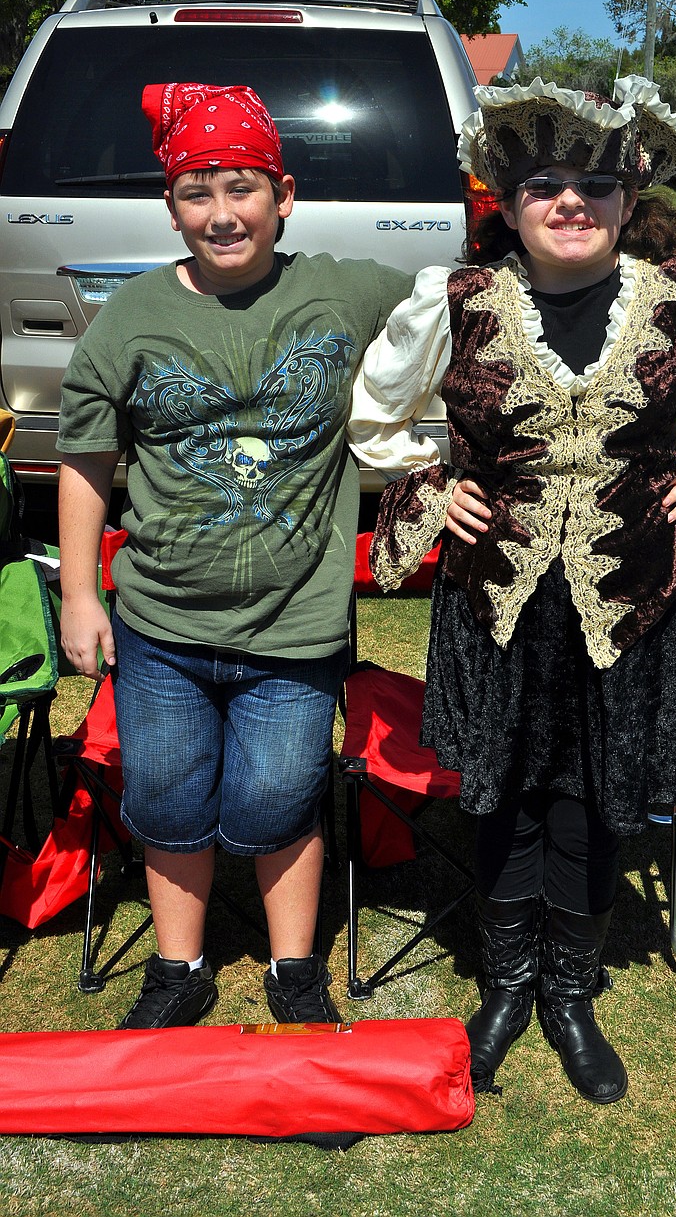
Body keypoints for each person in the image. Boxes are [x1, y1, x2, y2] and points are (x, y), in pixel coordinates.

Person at [349, 76, 676, 1102]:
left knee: (598, 799)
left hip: (630, 600)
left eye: (595, 186)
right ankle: (507, 984)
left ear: (627, 195)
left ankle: (570, 991)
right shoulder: (456, 301)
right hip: (500, 596)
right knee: (509, 793)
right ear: (509, 203)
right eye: (547, 184)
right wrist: (432, 481)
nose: (571, 204)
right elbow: (375, 419)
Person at [57, 82, 414, 1029]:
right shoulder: (128, 319)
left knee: (278, 796)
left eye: (243, 187)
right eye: (197, 191)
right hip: (163, 621)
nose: (223, 214)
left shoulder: (347, 290)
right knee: (169, 797)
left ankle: (294, 969)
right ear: (170, 207)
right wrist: (81, 595)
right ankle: (180, 969)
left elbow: (467, 314)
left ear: (284, 195)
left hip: (295, 623)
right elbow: (87, 461)